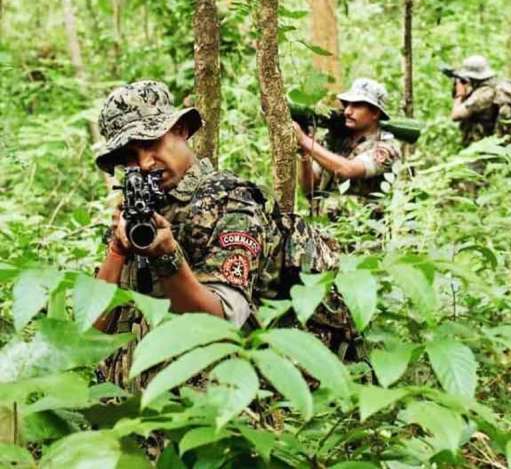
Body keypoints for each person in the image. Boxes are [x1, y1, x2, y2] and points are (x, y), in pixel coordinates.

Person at [92, 80, 340, 390]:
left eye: (151, 143)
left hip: (239, 387)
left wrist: (167, 257)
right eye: (129, 156)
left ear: (181, 129)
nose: (144, 163)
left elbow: (220, 323)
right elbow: (93, 334)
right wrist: (117, 249)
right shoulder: (136, 209)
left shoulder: (231, 201)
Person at [293, 78, 402, 219]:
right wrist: (305, 154)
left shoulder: (386, 148)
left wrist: (304, 140)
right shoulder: (335, 140)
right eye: (347, 105)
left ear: (375, 112)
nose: (348, 111)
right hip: (324, 227)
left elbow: (348, 169)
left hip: (360, 232)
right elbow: (309, 189)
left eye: (356, 106)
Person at [449, 55, 511, 147]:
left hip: (486, 146)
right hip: (505, 142)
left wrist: (459, 94)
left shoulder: (483, 94)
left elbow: (455, 115)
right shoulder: (502, 85)